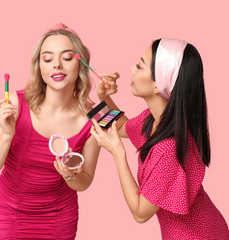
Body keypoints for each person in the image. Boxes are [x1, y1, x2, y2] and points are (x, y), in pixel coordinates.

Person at [91, 38, 229, 239]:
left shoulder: (168, 149)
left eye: (140, 65)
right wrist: (102, 97)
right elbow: (120, 126)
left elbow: (140, 213)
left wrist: (118, 153)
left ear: (159, 84)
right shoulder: (156, 120)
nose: (131, 69)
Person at [0, 23, 101, 239]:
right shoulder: (15, 103)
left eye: (67, 57)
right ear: (39, 67)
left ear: (80, 64)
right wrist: (7, 135)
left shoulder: (95, 117)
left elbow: (86, 181)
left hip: (60, 217)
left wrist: (70, 176)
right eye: (47, 59)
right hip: (12, 214)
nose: (56, 65)